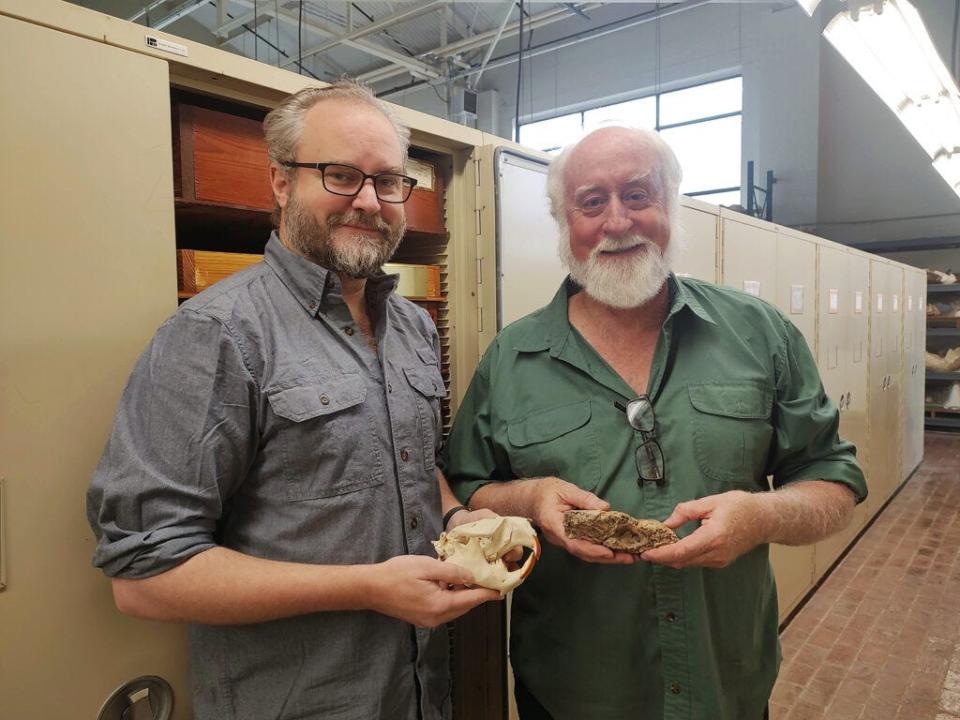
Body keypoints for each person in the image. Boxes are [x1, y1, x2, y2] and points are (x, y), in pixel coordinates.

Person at [86, 81, 502, 720]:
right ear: (281, 183)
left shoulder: (414, 328)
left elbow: (410, 461)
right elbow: (143, 574)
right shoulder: (216, 334)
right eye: (340, 175)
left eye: (388, 181)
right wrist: (368, 588)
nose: (368, 201)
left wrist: (453, 518)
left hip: (419, 696)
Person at [444, 126, 867, 720]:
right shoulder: (512, 359)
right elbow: (467, 488)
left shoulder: (758, 334)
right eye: (592, 201)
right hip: (573, 694)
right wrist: (532, 497)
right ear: (564, 222)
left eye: (638, 195)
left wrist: (760, 516)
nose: (617, 221)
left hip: (727, 687)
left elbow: (835, 483)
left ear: (671, 204)